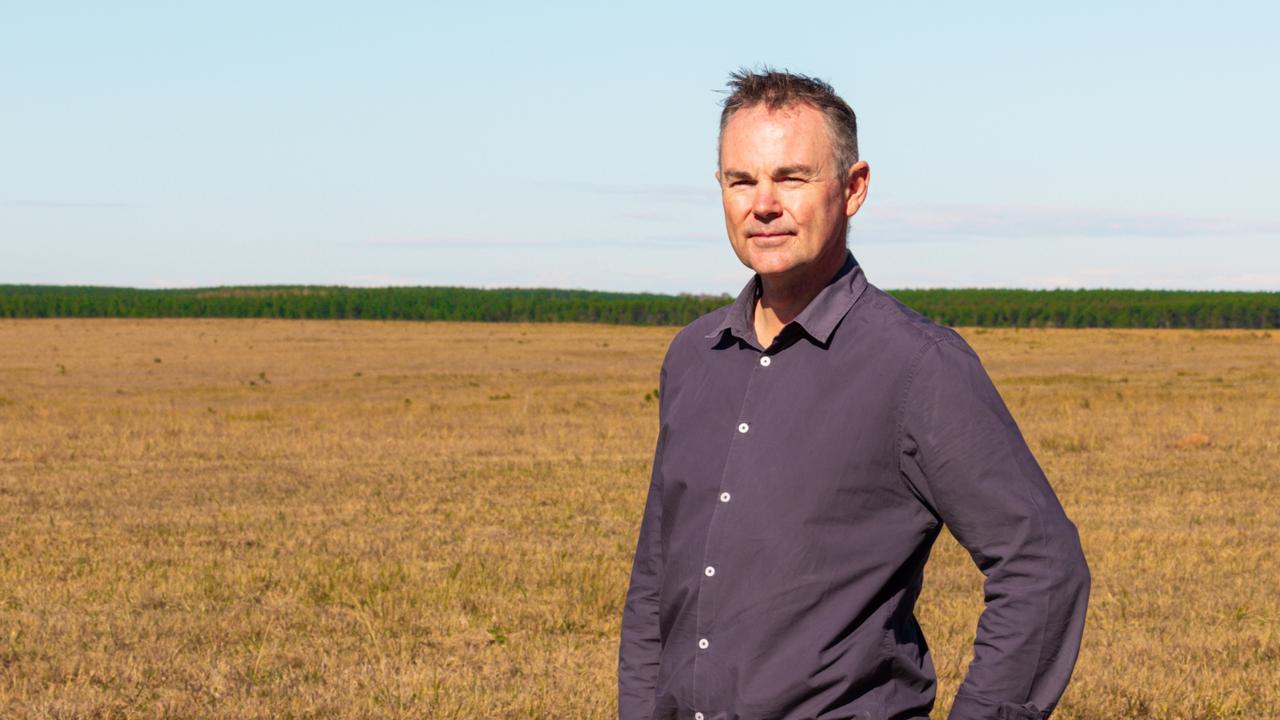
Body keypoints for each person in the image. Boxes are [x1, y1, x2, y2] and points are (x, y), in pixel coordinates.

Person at [617, 69, 1090, 720]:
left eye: (791, 178)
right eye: (741, 180)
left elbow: (1042, 567)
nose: (763, 204)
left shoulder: (918, 369)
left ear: (854, 187)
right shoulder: (694, 358)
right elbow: (656, 580)